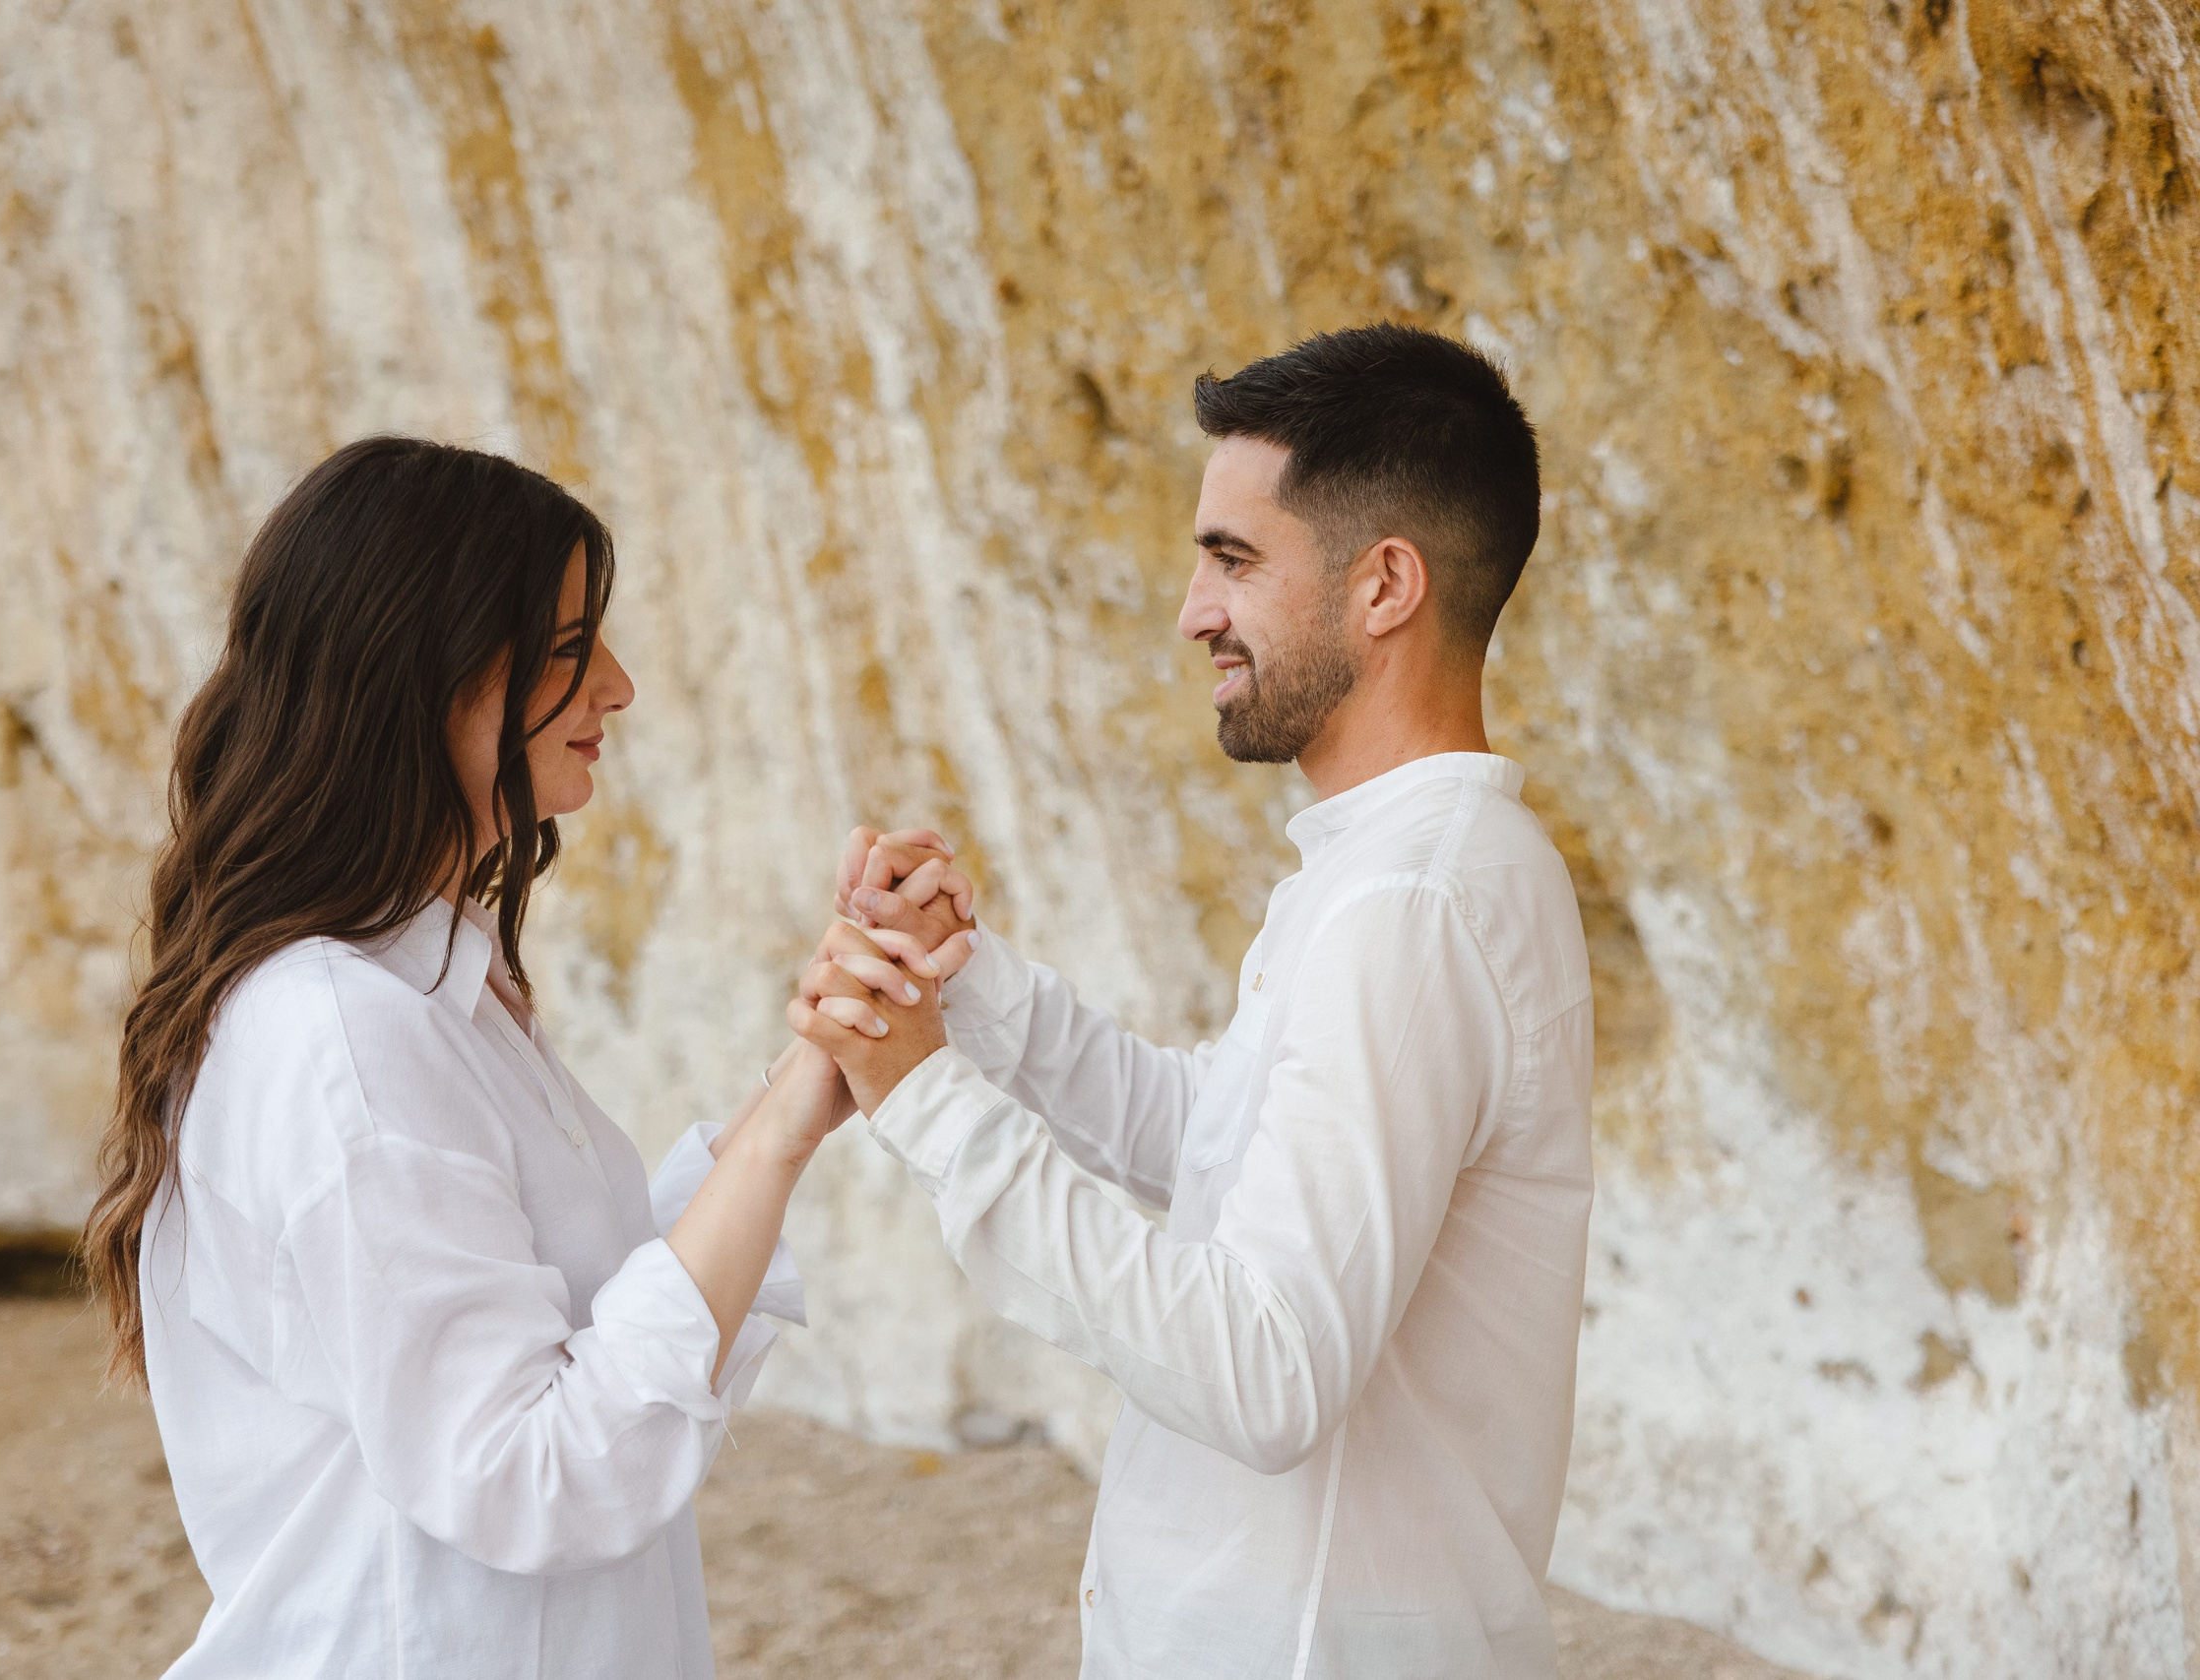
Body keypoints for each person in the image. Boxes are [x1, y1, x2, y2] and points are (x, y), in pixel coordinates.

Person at [794, 326, 1596, 1678]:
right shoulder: (1380, 873)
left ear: (1384, 583)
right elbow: (1222, 1144)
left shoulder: (1412, 906)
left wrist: (926, 1100)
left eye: (1233, 558)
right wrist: (970, 992)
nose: (1191, 610)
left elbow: (1264, 1365)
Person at [78, 437, 938, 1679]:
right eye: (567, 652)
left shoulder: (422, 989)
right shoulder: (345, 1039)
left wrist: (812, 1072)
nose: (620, 687)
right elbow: (535, 1475)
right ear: (424, 679)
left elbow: (575, 1327)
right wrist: (787, 1129)